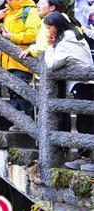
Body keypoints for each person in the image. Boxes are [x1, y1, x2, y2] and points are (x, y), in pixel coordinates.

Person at [40, 12, 94, 171]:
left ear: (57, 26)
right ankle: (85, 157)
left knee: (86, 122)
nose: (48, 30)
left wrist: (50, 47)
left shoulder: (65, 42)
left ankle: (87, 159)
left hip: (82, 84)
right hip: (87, 82)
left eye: (49, 27)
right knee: (85, 120)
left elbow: (52, 64)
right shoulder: (76, 36)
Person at [0, 0, 40, 124]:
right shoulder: (7, 12)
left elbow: (33, 34)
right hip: (6, 59)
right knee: (12, 91)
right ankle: (18, 122)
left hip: (22, 58)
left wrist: (12, 37)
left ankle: (30, 120)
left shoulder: (30, 11)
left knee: (20, 89)